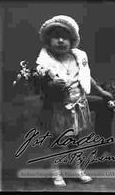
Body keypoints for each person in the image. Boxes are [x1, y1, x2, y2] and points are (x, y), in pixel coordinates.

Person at [36, 15, 94, 187]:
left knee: (75, 139)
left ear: (72, 40)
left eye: (65, 37)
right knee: (57, 141)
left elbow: (87, 77)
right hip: (58, 108)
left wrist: (102, 91)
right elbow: (40, 86)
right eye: (56, 36)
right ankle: (56, 172)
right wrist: (51, 83)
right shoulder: (44, 62)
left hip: (77, 105)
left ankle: (76, 169)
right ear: (48, 39)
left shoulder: (77, 57)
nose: (61, 40)